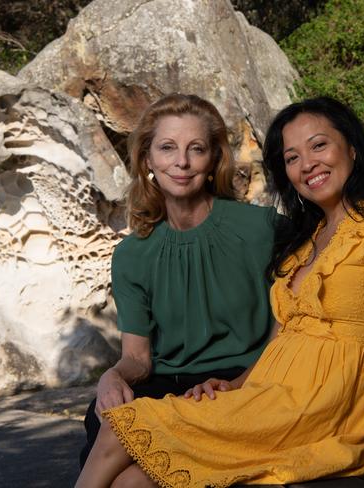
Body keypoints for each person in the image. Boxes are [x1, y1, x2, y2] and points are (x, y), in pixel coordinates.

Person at [76, 96, 364, 487]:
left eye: (319, 146)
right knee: (133, 479)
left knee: (119, 427)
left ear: (352, 149)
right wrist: (234, 384)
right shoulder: (305, 242)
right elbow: (281, 342)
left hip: (317, 402)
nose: (307, 163)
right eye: (292, 158)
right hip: (268, 392)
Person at [79, 94, 278, 468]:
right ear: (147, 159)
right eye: (167, 148)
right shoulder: (132, 255)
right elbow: (137, 358)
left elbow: (332, 253)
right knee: (103, 414)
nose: (182, 162)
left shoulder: (261, 229)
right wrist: (112, 375)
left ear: (214, 159)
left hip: (241, 384)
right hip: (164, 386)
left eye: (196, 149)